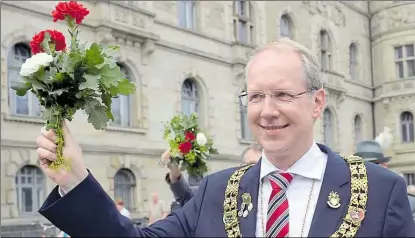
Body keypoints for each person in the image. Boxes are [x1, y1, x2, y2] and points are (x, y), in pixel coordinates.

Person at [36, 38, 415, 237]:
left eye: (283, 94)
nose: (268, 110)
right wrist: (75, 179)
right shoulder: (217, 193)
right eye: (255, 96)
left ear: (317, 103)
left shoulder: (380, 191)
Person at [163, 143, 262, 208]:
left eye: (262, 166)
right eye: (251, 164)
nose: (256, 169)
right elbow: (187, 196)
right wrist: (174, 170)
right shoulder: (224, 193)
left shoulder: (273, 201)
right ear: (240, 167)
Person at [355, 140, 415, 224]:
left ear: (384, 166)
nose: (366, 170)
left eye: (373, 165)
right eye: (361, 165)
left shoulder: (409, 203)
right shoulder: (346, 200)